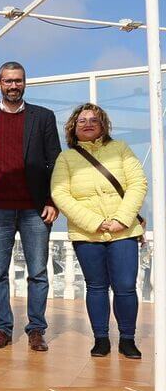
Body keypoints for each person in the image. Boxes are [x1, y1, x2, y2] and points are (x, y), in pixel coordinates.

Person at [0, 61, 61, 352]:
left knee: (37, 272)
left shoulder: (44, 117)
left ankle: (36, 329)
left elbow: (56, 162)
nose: (14, 85)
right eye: (8, 81)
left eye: (19, 80)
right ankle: (2, 329)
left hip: (35, 208)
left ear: (25, 82)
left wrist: (52, 200)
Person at [51, 103, 147, 359]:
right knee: (96, 287)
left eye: (94, 119)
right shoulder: (66, 158)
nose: (88, 124)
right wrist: (95, 223)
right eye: (81, 121)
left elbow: (138, 183)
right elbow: (60, 193)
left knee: (126, 286)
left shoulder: (121, 149)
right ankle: (101, 339)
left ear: (103, 124)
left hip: (123, 232)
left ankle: (128, 339)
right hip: (87, 234)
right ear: (73, 127)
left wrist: (121, 219)